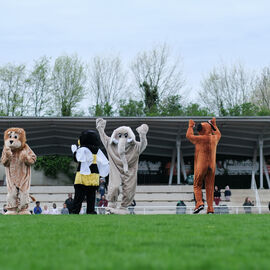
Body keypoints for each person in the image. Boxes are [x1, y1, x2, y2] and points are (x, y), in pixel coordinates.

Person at [186, 118, 221, 214]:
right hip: (212, 166)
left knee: (197, 184)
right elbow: (218, 134)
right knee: (210, 187)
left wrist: (190, 126)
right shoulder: (214, 139)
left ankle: (199, 203)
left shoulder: (200, 139)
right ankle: (210, 209)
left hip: (201, 165)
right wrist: (214, 125)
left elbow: (189, 135)